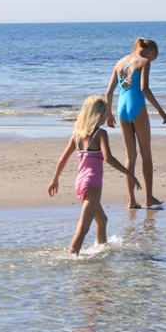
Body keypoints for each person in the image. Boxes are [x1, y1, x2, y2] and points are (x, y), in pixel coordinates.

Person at [48, 95, 141, 255]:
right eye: (106, 112)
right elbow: (108, 158)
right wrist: (129, 174)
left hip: (80, 183)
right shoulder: (100, 134)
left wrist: (55, 179)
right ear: (99, 114)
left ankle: (102, 250)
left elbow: (63, 159)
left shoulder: (76, 136)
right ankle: (72, 255)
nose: (107, 116)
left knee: (102, 220)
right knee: (83, 227)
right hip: (93, 184)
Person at [105, 37, 166, 208]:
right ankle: (149, 198)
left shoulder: (119, 63)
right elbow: (144, 88)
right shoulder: (144, 62)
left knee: (130, 156)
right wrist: (160, 110)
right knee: (146, 154)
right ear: (151, 52)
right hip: (137, 107)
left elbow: (109, 92)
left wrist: (109, 113)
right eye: (153, 57)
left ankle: (131, 200)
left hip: (121, 109)